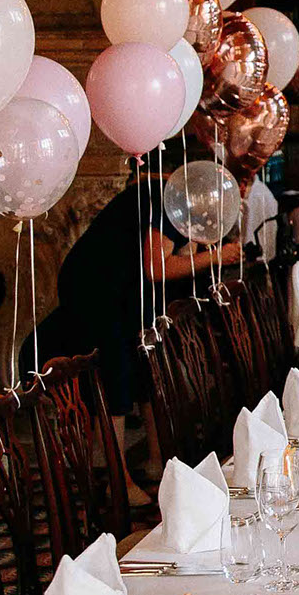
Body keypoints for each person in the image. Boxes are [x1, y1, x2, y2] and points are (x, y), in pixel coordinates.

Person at [40, 149, 242, 488]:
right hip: (96, 286)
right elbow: (156, 267)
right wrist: (217, 256)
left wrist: (199, 249)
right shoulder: (162, 202)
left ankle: (158, 463)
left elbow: (171, 258)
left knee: (148, 370)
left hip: (128, 289)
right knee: (117, 373)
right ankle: (119, 480)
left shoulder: (176, 204)